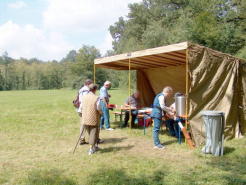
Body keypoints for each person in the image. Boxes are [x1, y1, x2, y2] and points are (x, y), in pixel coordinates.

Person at [81, 84, 101, 155]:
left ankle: (94, 147)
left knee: (91, 133)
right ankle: (91, 149)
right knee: (93, 134)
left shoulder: (84, 97)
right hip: (93, 118)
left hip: (85, 118)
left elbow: (81, 107)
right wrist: (101, 112)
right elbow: (98, 108)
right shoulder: (96, 97)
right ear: (95, 90)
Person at [78, 79, 93, 145]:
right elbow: (86, 100)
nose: (92, 85)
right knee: (87, 124)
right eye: (91, 84)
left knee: (84, 124)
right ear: (88, 84)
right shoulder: (86, 90)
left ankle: (83, 139)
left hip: (81, 109)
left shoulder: (81, 89)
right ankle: (93, 138)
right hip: (85, 109)